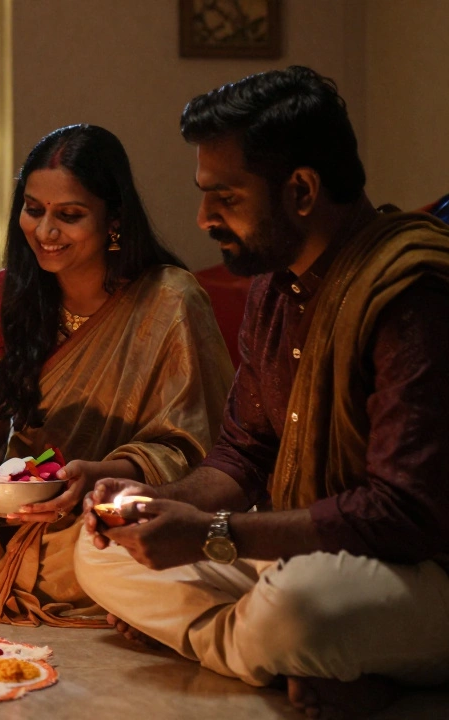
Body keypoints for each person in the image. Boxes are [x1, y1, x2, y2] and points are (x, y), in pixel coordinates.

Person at [73, 66, 449, 718]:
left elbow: (401, 515)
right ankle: (307, 661)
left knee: (301, 607)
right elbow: (245, 453)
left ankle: (286, 647)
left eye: (225, 197)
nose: (203, 218)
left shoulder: (410, 294)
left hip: (416, 570)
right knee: (96, 553)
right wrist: (159, 504)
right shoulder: (275, 287)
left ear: (301, 190)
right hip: (306, 553)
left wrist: (215, 535)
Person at [0, 125, 233, 627]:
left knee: (100, 554)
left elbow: (198, 448)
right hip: (21, 507)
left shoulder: (170, 300)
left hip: (117, 505)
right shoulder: (0, 298)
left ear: (114, 219)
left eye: (70, 216)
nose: (45, 232)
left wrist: (97, 476)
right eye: (33, 210)